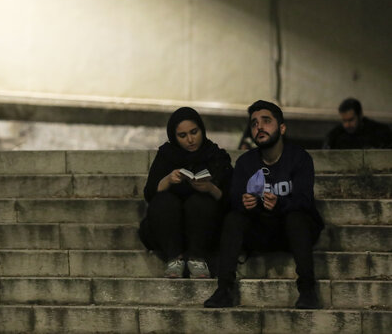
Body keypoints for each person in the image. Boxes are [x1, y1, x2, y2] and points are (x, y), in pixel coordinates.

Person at [204, 100, 324, 309]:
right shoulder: (245, 163)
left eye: (266, 121)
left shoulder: (299, 158)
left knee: (296, 217)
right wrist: (245, 203)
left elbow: (305, 201)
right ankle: (224, 289)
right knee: (233, 218)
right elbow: (234, 200)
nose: (259, 127)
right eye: (254, 123)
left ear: (282, 127)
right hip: (260, 232)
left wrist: (279, 204)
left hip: (292, 232)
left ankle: (307, 290)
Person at [139, 107, 233, 278]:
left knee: (201, 202)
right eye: (182, 136)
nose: (190, 140)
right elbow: (149, 194)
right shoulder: (167, 155)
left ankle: (197, 257)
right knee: (164, 201)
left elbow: (231, 198)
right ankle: (175, 257)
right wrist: (167, 180)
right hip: (169, 229)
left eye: (194, 132)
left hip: (205, 228)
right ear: (174, 137)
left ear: (202, 130)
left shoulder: (215, 155)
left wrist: (211, 188)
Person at [323, 98, 392, 149]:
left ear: (360, 115)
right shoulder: (335, 136)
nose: (347, 125)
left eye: (351, 120)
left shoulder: (379, 132)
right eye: (344, 121)